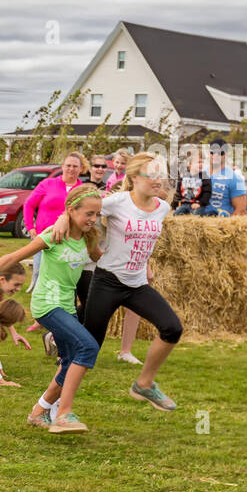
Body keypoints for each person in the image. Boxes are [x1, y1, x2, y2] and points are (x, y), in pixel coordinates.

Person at [0, 183, 104, 433]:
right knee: (87, 347)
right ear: (71, 210)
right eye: (89, 214)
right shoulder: (55, 234)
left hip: (67, 306)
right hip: (47, 305)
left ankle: (38, 412)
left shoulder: (88, 238)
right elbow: (14, 257)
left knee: (69, 362)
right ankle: (63, 413)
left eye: (97, 214)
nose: (93, 219)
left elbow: (101, 257)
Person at [73, 153, 183, 411]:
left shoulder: (163, 207)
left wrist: (147, 264)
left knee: (172, 329)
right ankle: (49, 405)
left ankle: (144, 384)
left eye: (161, 175)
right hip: (107, 282)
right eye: (152, 175)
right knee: (89, 348)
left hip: (136, 285)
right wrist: (61, 222)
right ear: (134, 178)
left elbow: (142, 241)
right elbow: (79, 207)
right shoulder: (116, 202)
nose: (159, 181)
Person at [21, 151, 87, 299]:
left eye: (75, 166)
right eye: (68, 165)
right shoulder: (47, 184)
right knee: (39, 272)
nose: (71, 169)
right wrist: (30, 227)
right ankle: (39, 308)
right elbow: (29, 205)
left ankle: (62, 304)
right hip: (44, 236)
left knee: (65, 275)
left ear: (81, 169)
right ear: (62, 166)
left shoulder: (83, 189)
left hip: (69, 240)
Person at [201, 144, 247, 216]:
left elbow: (241, 209)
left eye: (220, 153)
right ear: (208, 153)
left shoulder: (235, 178)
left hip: (221, 223)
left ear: (226, 155)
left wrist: (227, 225)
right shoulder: (200, 174)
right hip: (198, 222)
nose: (216, 155)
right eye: (212, 152)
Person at [172, 147, 213, 215]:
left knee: (197, 214)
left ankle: (209, 212)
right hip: (184, 204)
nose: (201, 164)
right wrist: (174, 206)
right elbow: (178, 192)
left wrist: (200, 203)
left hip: (197, 204)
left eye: (202, 162)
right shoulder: (183, 176)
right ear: (189, 164)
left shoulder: (204, 177)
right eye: (198, 162)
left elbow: (207, 192)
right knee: (176, 214)